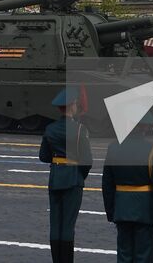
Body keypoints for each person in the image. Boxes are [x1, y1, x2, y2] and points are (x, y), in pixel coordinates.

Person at [102, 110, 153, 262]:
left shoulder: (113, 147)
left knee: (124, 254)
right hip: (145, 210)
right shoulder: (151, 149)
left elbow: (107, 184)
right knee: (144, 255)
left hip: (122, 208)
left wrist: (111, 212)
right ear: (145, 127)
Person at [39, 89, 93, 263]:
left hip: (55, 177)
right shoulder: (79, 129)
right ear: (71, 106)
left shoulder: (50, 129)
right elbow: (87, 161)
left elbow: (44, 156)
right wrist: (79, 177)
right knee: (68, 225)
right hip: (73, 178)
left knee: (56, 224)